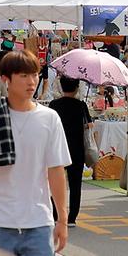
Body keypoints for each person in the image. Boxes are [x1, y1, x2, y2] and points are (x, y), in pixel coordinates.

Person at [0, 50, 71, 256]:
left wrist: (62, 218)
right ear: (5, 79)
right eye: (23, 76)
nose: (31, 82)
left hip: (38, 223)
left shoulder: (50, 118)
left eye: (34, 75)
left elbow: (56, 170)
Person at [49, 76, 92, 226]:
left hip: (57, 148)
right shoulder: (81, 105)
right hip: (77, 148)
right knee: (75, 185)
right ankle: (72, 217)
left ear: (61, 87)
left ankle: (55, 214)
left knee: (55, 182)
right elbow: (89, 125)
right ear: (76, 88)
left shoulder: (54, 104)